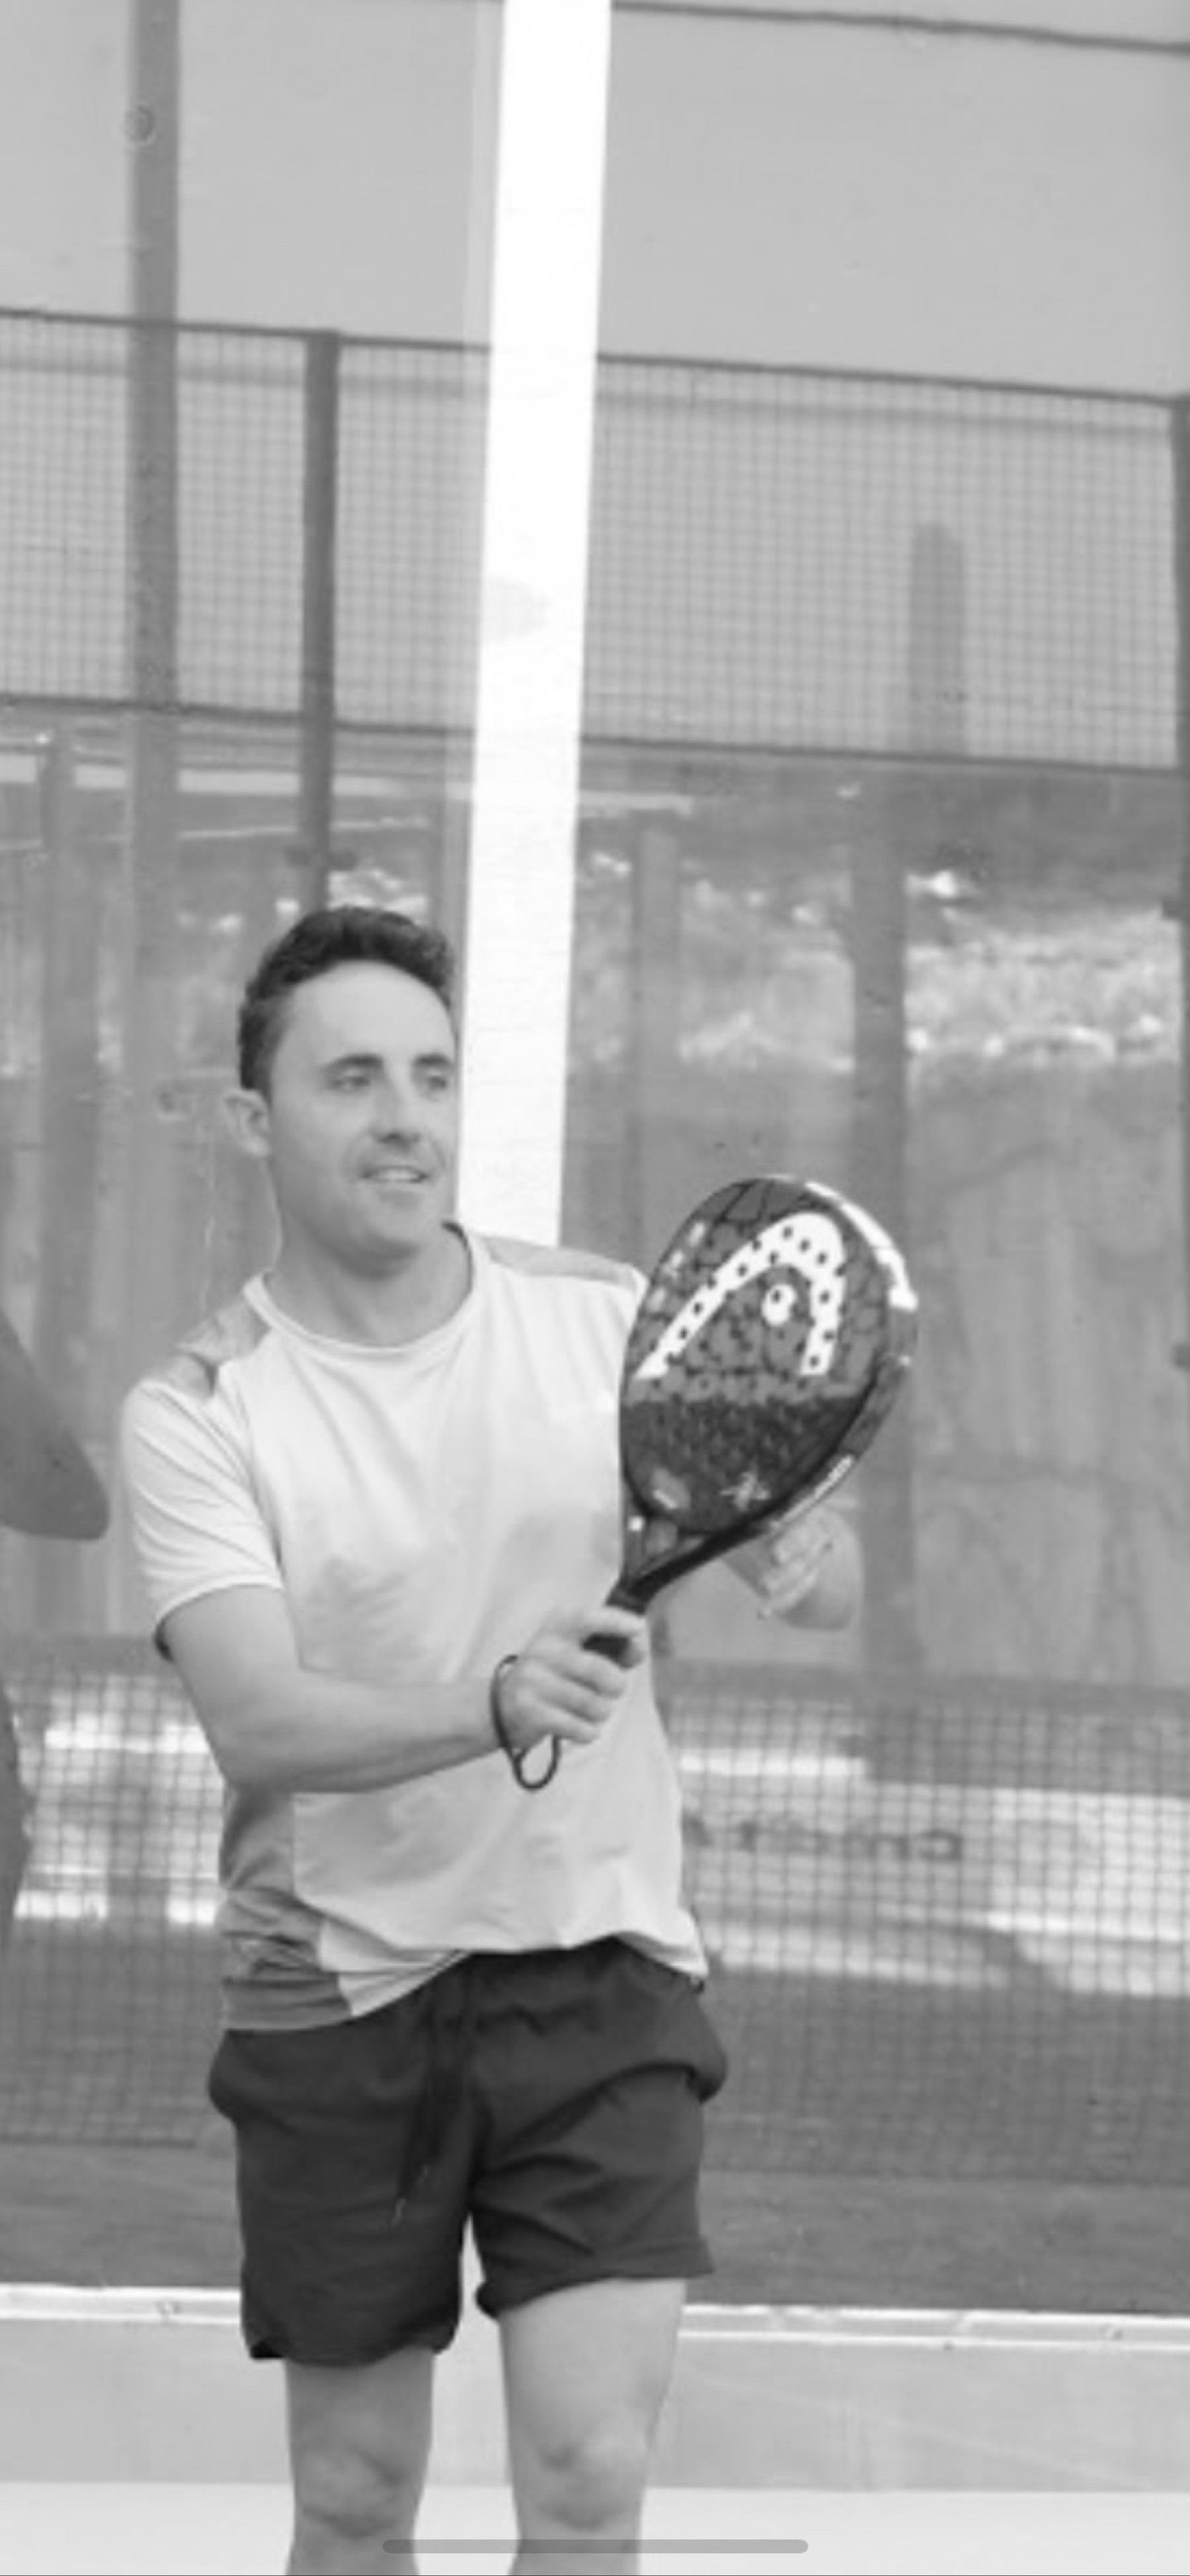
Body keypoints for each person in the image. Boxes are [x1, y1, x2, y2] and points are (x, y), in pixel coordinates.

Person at [120, 904, 859, 2576]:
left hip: (601, 1972)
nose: (405, 1118)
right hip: (339, 1991)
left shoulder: (608, 1322)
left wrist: (805, 1554)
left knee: (591, 2481)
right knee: (355, 2497)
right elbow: (257, 1716)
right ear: (253, 1117)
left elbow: (820, 1584)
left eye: (433, 1075)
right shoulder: (199, 1407)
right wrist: (496, 1701)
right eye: (353, 1079)